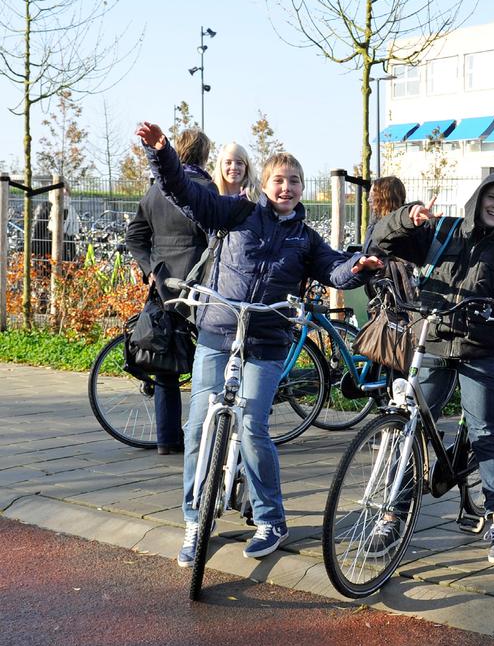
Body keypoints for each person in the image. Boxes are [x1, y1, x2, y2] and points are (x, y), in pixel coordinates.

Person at [136, 121, 383, 566]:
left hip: (267, 340)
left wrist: (359, 267)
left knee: (252, 426)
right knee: (197, 429)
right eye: (278, 180)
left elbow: (334, 270)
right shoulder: (238, 213)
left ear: (302, 188)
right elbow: (187, 195)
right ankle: (196, 519)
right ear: (264, 183)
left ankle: (271, 519)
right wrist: (162, 153)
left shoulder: (305, 239)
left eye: (294, 181)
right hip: (218, 331)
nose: (286, 187)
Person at [370, 173, 494, 563]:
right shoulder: (443, 230)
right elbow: (381, 240)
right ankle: (393, 512)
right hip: (435, 340)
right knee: (411, 424)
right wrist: (408, 218)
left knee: (484, 431)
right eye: (491, 197)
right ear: (478, 198)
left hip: (480, 348)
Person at [125, 127, 216, 455]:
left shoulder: (154, 192)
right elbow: (216, 238)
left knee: (164, 364)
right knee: (209, 359)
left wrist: (150, 269)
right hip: (200, 286)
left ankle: (167, 440)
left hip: (164, 286)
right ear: (205, 155)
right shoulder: (206, 188)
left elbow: (134, 236)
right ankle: (205, 440)